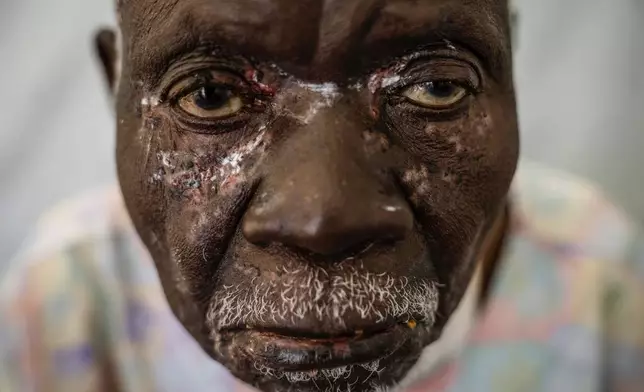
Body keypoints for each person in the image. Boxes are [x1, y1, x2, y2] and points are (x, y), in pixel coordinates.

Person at [1, 0, 643, 391]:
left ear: (510, 74)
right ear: (117, 87)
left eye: (435, 88)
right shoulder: (65, 304)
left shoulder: (600, 286)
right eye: (210, 96)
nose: (322, 216)